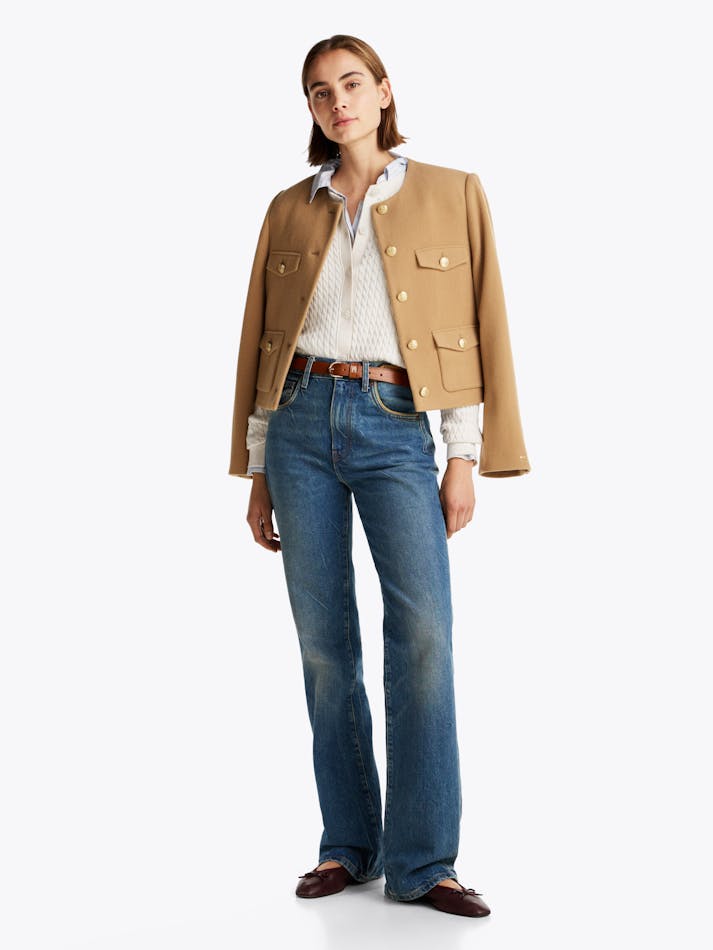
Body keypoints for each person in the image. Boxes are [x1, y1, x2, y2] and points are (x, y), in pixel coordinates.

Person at [228, 34, 531, 918]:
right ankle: (347, 846)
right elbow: (263, 345)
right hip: (297, 424)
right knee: (325, 647)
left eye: (351, 83)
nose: (338, 102)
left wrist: (461, 455)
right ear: (310, 108)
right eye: (320, 91)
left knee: (424, 636)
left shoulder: (450, 192)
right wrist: (257, 471)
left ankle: (424, 861)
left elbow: (473, 325)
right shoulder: (290, 208)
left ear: (384, 91)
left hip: (397, 425)